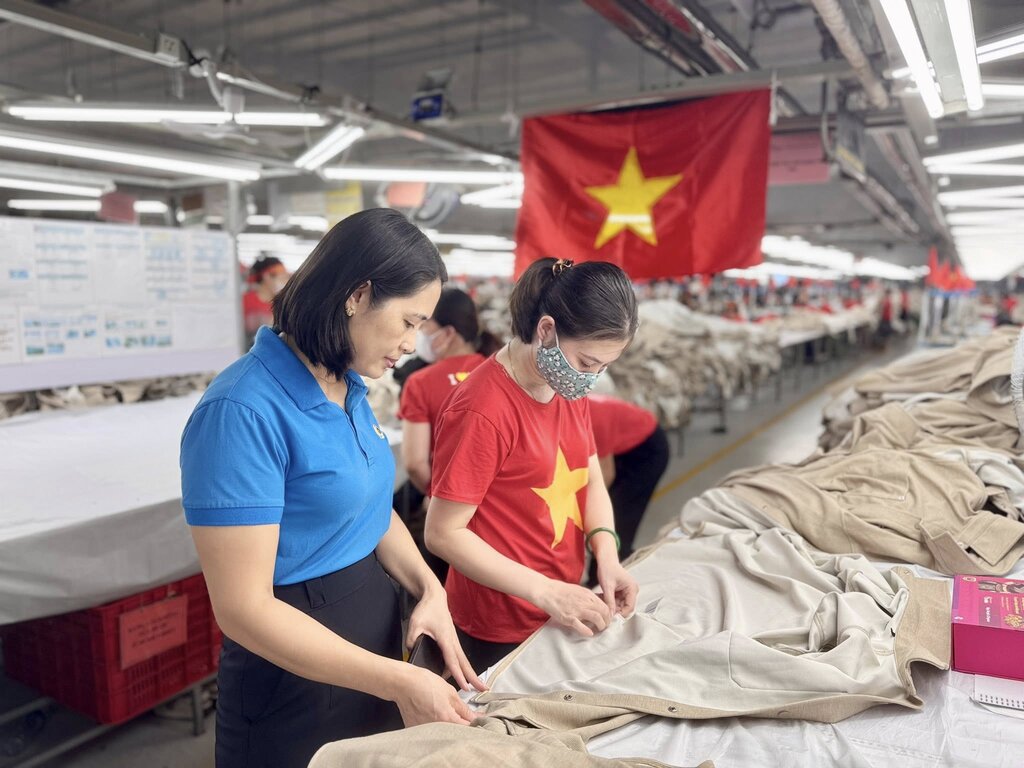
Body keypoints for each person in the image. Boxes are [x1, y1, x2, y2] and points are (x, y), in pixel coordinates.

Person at [180, 209, 484, 768]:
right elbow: (243, 608)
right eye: (408, 321)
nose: (413, 344)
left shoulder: (347, 386)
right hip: (294, 679)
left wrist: (429, 589)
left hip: (370, 651)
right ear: (358, 295)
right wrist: (394, 679)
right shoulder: (241, 412)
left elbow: (370, 509)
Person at [424, 257, 641, 672]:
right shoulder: (483, 409)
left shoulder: (564, 387)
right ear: (546, 331)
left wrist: (608, 557)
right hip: (496, 626)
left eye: (603, 367)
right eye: (586, 363)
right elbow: (442, 533)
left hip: (557, 607)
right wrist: (544, 591)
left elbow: (589, 480)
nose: (590, 379)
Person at [395, 288, 502, 581]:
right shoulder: (503, 372)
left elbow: (415, 462)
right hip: (503, 515)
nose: (415, 336)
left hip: (451, 522)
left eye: (422, 325)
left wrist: (439, 499)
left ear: (448, 332)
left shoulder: (421, 383)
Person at [588, 395, 669, 566]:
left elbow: (605, 475)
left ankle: (608, 575)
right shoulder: (572, 408)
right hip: (622, 448)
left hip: (646, 450)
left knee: (616, 516)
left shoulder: (593, 420)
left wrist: (589, 510)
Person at [243, 255, 291, 345]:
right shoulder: (243, 302)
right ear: (267, 276)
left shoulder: (284, 305)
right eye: (282, 278)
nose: (286, 282)